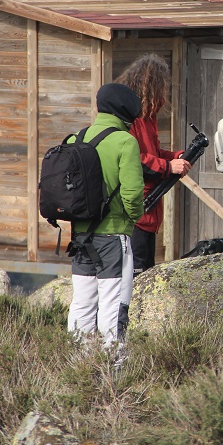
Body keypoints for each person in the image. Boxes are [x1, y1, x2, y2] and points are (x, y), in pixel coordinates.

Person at [66, 83, 145, 351]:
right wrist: (133, 220)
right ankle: (114, 372)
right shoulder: (125, 142)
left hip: (79, 238)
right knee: (113, 307)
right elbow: (133, 195)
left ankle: (78, 367)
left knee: (82, 304)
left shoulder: (75, 139)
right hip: (114, 238)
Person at [115, 54, 192, 275]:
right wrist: (168, 167)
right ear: (152, 85)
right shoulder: (131, 119)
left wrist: (177, 156)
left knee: (145, 270)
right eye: (162, 86)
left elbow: (153, 153)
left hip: (148, 209)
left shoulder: (147, 116)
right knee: (136, 274)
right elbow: (133, 160)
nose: (164, 93)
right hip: (134, 210)